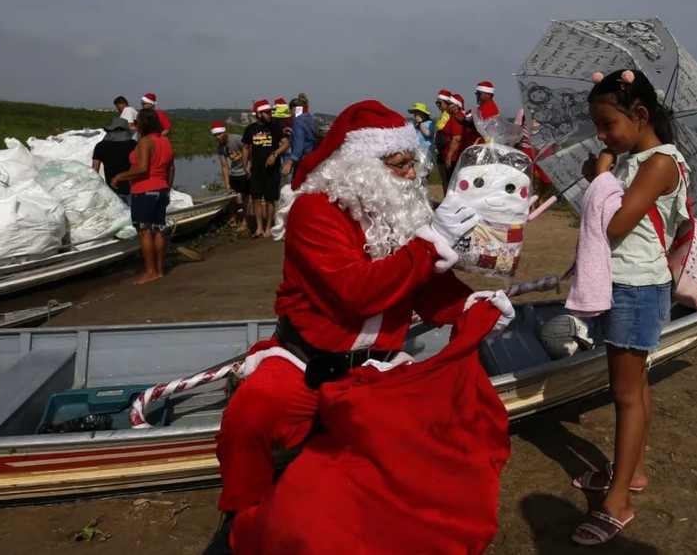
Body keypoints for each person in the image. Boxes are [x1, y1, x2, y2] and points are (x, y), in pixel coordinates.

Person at [207, 100, 510, 552]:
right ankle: (241, 517)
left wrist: (473, 307)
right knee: (250, 416)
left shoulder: (401, 214)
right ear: (359, 167)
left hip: (378, 369)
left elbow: (425, 287)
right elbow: (354, 291)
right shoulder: (314, 212)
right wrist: (429, 247)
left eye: (413, 163)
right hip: (304, 362)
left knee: (427, 451)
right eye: (399, 164)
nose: (411, 175)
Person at [569, 69, 689, 546]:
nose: (601, 135)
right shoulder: (632, 160)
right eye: (596, 126)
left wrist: (601, 178)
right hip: (626, 284)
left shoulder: (659, 164)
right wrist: (602, 174)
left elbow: (615, 225)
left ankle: (618, 500)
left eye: (607, 124)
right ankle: (632, 471)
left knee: (625, 395)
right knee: (635, 385)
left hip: (636, 289)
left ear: (640, 115)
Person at [110, 109, 174, 285]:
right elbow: (171, 168)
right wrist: (167, 189)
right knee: (158, 230)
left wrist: (120, 176)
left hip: (144, 190)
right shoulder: (165, 141)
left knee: (144, 231)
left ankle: (150, 272)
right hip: (161, 188)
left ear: (143, 124)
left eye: (137, 122)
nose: (135, 125)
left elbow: (143, 168)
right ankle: (159, 270)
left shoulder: (145, 141)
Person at [241, 99, 289, 238]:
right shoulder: (250, 129)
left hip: (272, 170)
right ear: (258, 114)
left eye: (270, 112)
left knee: (270, 199)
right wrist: (245, 164)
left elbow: (285, 143)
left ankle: (268, 227)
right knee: (256, 198)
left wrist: (274, 154)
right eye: (266, 112)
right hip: (256, 169)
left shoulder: (275, 127)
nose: (269, 114)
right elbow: (245, 147)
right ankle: (259, 227)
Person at [212, 121, 250, 232]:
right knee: (232, 197)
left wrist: (248, 168)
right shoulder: (220, 148)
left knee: (245, 197)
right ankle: (232, 218)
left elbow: (249, 151)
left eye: (219, 134)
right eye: (215, 135)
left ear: (225, 132)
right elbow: (224, 166)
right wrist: (227, 183)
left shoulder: (237, 139)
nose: (218, 137)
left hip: (245, 171)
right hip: (234, 172)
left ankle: (245, 221)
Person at [92, 117, 137, 204]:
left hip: (111, 190)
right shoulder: (133, 145)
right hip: (131, 188)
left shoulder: (100, 146)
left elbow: (94, 171)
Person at [281, 96, 320, 185]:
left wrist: (289, 162)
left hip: (302, 160)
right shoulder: (313, 119)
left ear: (294, 109)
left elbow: (299, 145)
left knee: (295, 185)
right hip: (312, 157)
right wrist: (293, 132)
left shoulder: (298, 121)